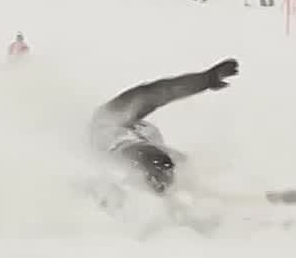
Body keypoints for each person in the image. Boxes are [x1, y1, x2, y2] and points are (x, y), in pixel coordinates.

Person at [87, 59, 240, 196]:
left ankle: (193, 197)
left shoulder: (143, 128)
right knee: (160, 160)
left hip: (150, 158)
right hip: (126, 154)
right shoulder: (108, 119)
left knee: (184, 164)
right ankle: (153, 194)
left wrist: (206, 79)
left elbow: (160, 93)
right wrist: (205, 80)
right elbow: (157, 92)